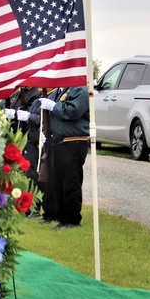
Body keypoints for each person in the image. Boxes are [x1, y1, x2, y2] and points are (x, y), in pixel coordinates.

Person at [36, 86, 90, 229]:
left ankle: (72, 219)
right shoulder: (59, 91)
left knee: (70, 182)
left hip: (73, 141)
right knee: (57, 183)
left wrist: (55, 106)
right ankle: (62, 218)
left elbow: (73, 111)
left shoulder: (79, 90)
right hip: (58, 142)